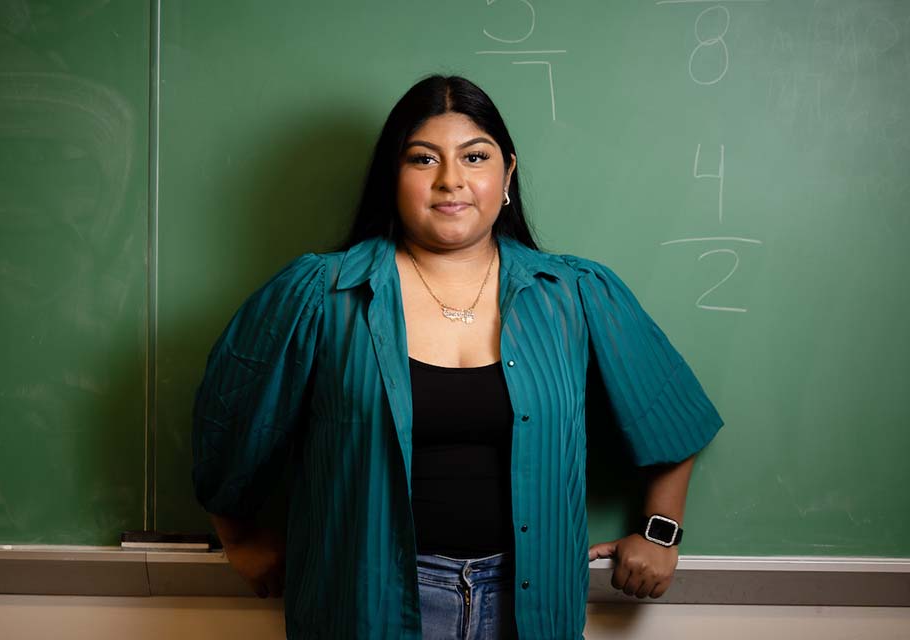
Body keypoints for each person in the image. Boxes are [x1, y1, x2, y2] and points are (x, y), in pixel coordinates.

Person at [191, 75, 723, 639]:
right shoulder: (321, 294)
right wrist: (238, 537)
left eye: (475, 156)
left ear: (507, 173)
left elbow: (673, 416)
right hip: (366, 606)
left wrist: (661, 531)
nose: (451, 179)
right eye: (423, 159)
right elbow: (225, 422)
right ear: (392, 176)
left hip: (531, 606)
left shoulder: (574, 294)